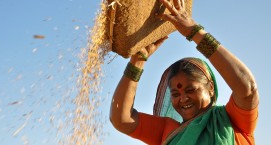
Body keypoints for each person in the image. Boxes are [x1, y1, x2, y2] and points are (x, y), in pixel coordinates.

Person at [109, 0, 259, 144]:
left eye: (190, 90)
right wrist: (137, 63)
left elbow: (247, 88)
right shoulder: (169, 131)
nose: (183, 98)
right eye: (175, 94)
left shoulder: (232, 120)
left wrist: (194, 31)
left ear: (211, 88)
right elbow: (121, 119)